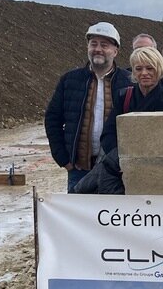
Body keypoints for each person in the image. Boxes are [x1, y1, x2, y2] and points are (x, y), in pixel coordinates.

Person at [45, 22, 132, 192]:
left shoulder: (128, 81)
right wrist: (63, 159)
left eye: (104, 45)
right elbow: (52, 118)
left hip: (115, 170)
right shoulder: (70, 80)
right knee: (79, 216)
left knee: (111, 216)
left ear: (115, 51)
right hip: (79, 169)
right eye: (94, 44)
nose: (98, 49)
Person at [100, 46, 163, 154]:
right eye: (138, 69)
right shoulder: (123, 96)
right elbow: (108, 133)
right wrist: (119, 156)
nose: (144, 73)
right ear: (133, 71)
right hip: (124, 162)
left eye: (149, 68)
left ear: (159, 69)